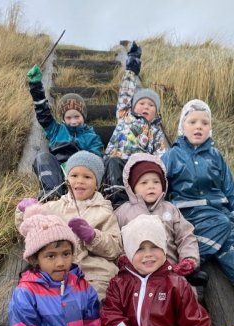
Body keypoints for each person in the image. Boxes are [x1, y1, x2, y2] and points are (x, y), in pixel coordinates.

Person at [162, 99, 234, 304]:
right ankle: (190, 264)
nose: (199, 126)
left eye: (204, 123)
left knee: (228, 241)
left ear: (210, 128)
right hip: (187, 213)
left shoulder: (216, 156)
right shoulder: (172, 156)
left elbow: (229, 186)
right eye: (192, 122)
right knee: (224, 227)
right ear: (183, 126)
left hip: (215, 210)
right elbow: (162, 186)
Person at [16, 151, 122, 300]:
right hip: (56, 270)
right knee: (44, 299)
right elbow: (29, 229)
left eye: (87, 177)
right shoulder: (54, 207)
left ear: (97, 184)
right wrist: (24, 211)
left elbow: (115, 249)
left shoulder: (105, 212)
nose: (80, 181)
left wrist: (93, 236)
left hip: (93, 273)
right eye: (74, 175)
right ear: (67, 180)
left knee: (93, 300)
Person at [115, 152, 208, 289]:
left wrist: (188, 259)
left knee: (185, 292)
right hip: (136, 274)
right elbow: (115, 241)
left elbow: (185, 235)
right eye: (144, 182)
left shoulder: (170, 209)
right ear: (132, 187)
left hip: (171, 271)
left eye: (156, 182)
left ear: (163, 184)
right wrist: (122, 259)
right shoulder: (123, 212)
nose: (151, 186)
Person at [102, 41, 169, 207]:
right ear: (133, 106)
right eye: (142, 103)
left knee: (148, 173)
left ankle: (143, 203)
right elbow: (125, 92)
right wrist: (132, 65)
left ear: (156, 112)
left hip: (137, 168)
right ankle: (117, 201)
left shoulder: (156, 131)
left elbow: (161, 155)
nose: (146, 107)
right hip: (118, 161)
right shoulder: (125, 115)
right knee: (112, 162)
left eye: (151, 105)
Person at [26, 64, 103, 199]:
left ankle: (85, 195)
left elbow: (96, 157)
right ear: (63, 119)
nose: (73, 121)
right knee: (42, 157)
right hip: (58, 174)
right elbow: (43, 114)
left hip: (80, 174)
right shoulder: (56, 130)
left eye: (77, 117)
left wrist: (77, 163)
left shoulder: (92, 137)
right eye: (69, 117)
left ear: (83, 116)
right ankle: (52, 194)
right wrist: (35, 85)